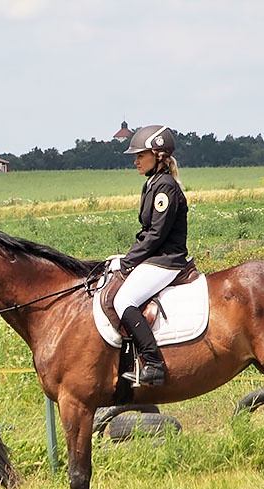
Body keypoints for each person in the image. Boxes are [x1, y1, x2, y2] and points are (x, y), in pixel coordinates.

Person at [113, 125, 189, 386]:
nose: (135, 161)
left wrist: (129, 261)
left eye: (140, 156)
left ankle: (154, 363)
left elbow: (156, 234)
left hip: (167, 261)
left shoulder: (165, 187)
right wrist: (125, 257)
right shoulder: (152, 184)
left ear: (157, 155)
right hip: (155, 257)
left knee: (123, 300)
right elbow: (146, 233)